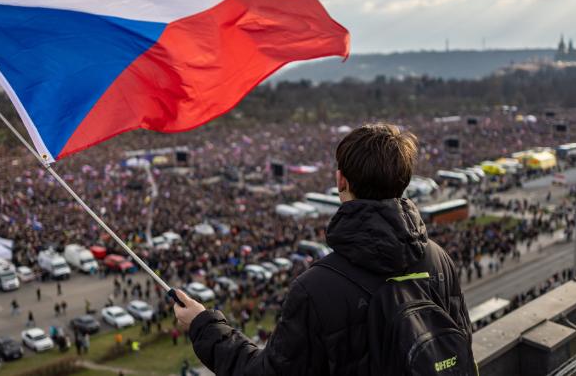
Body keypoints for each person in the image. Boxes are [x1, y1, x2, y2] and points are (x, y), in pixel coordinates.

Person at [174, 124, 474, 375]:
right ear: (404, 181)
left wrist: (204, 326)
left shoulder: (315, 287)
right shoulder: (439, 259)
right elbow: (460, 343)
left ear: (340, 180)